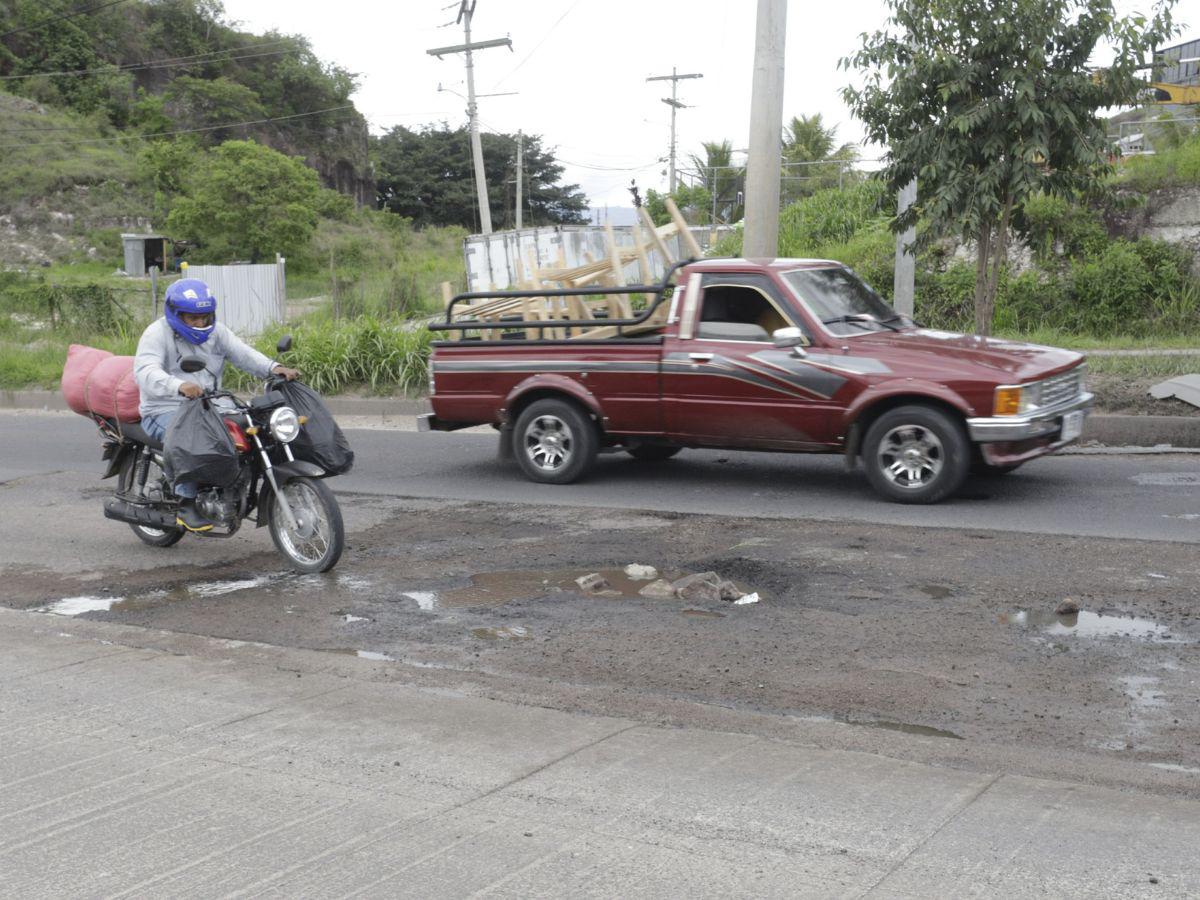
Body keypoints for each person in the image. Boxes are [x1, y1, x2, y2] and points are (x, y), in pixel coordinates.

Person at [134, 278, 298, 532]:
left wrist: (273, 368)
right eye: (193, 318)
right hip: (163, 408)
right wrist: (177, 385)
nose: (201, 323)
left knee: (252, 430)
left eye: (205, 317)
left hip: (209, 405)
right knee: (191, 438)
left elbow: (243, 353)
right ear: (176, 314)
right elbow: (145, 371)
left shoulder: (217, 332)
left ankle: (231, 487)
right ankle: (186, 502)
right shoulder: (156, 334)